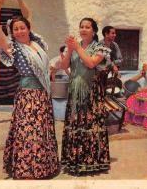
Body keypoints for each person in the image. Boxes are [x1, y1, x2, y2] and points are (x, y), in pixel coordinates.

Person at [0, 0, 59, 179]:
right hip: (28, 97)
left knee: (41, 132)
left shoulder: (36, 45)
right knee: (30, 133)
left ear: (28, 29)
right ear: (12, 33)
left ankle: (43, 168)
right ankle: (26, 170)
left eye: (23, 27)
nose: (20, 31)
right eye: (16, 29)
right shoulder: (14, 48)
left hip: (42, 96)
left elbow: (27, 16)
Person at [60, 17, 111, 176]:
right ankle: (74, 161)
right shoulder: (75, 46)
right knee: (76, 126)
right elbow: (64, 66)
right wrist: (69, 49)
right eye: (81, 26)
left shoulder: (100, 47)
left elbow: (91, 63)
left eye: (87, 27)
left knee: (90, 127)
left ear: (94, 30)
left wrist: (76, 47)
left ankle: (92, 162)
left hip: (91, 94)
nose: (83, 29)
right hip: (75, 92)